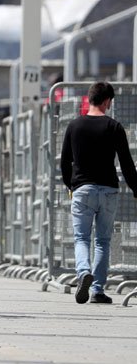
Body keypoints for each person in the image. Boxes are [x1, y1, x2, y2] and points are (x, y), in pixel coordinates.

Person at [60, 81, 137, 305]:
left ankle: (83, 272)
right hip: (108, 190)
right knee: (103, 241)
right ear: (106, 101)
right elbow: (127, 164)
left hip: (82, 190)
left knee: (81, 237)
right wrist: (135, 188)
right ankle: (97, 290)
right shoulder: (114, 127)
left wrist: (70, 185)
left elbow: (65, 161)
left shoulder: (74, 126)